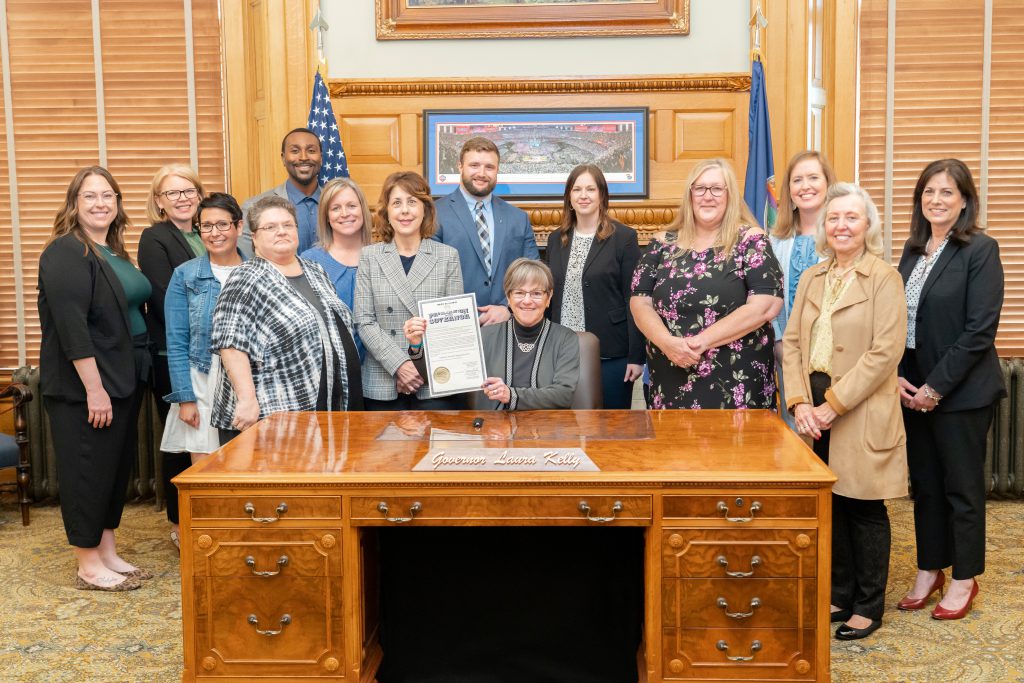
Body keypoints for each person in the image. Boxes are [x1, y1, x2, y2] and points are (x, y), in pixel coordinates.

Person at [782, 183, 908, 641]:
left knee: (863, 505)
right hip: (811, 401)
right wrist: (798, 401)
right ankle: (839, 592)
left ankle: (868, 605)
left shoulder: (884, 278)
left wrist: (831, 406)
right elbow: (793, 342)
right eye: (834, 218)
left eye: (851, 218)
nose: (841, 226)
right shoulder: (813, 277)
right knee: (828, 502)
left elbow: (885, 352)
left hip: (859, 403)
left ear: (868, 226)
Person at [895, 159, 1005, 620]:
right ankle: (929, 569)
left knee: (961, 488)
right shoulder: (912, 249)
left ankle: (964, 577)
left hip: (960, 391)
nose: (936, 200)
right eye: (928, 192)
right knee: (926, 486)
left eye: (946, 192)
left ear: (964, 200)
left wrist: (935, 388)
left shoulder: (980, 249)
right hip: (911, 384)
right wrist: (899, 375)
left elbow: (980, 330)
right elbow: (900, 320)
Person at [38, 167, 152, 591]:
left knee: (112, 469)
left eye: (108, 195)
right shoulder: (67, 252)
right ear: (74, 204)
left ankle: (106, 551)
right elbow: (72, 327)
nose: (100, 203)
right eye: (89, 196)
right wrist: (94, 389)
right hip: (84, 386)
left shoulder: (113, 252)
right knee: (86, 470)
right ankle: (88, 564)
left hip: (123, 376)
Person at [630, 158, 782, 409]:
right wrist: (668, 344)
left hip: (737, 383)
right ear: (690, 195)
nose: (707, 196)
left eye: (716, 189)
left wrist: (699, 343)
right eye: (699, 188)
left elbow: (766, 306)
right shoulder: (661, 243)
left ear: (729, 195)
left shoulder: (752, 241)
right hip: (670, 379)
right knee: (674, 448)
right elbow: (639, 301)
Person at [210, 196, 361, 445]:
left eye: (288, 225)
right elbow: (231, 344)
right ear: (255, 237)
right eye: (271, 227)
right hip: (274, 415)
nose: (281, 231)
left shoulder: (315, 270)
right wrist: (247, 400)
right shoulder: (245, 277)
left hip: (329, 404)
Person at [136, 163, 205, 549]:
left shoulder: (205, 232)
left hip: (214, 354)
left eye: (189, 190)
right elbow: (164, 299)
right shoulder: (155, 238)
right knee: (181, 437)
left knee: (210, 439)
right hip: (172, 353)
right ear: (159, 202)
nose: (183, 199)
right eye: (172, 193)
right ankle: (180, 525)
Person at [405, 258, 580, 410]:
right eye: (519, 293)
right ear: (508, 298)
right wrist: (416, 345)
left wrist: (511, 395)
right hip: (492, 433)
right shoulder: (485, 335)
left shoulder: (565, 338)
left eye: (536, 293)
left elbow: (564, 395)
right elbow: (443, 379)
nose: (527, 301)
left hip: (547, 433)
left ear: (548, 298)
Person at [354, 171, 464, 410]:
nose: (405, 211)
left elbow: (451, 325)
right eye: (397, 203)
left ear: (425, 209)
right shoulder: (370, 257)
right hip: (383, 381)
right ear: (387, 212)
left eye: (412, 202)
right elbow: (364, 321)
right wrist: (400, 365)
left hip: (434, 379)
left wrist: (417, 366)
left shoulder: (447, 257)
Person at [162, 193, 247, 497]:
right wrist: (185, 398)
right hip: (202, 381)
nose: (215, 233)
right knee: (205, 477)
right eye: (206, 226)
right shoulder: (185, 276)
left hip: (249, 383)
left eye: (222, 224)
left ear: (238, 226)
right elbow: (176, 340)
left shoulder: (258, 271)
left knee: (245, 469)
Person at [546, 165, 643, 409]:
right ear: (569, 197)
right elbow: (549, 297)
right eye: (577, 189)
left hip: (611, 353)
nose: (584, 195)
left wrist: (636, 356)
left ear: (602, 195)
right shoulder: (556, 239)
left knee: (612, 429)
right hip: (562, 352)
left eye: (591, 189)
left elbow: (634, 300)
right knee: (563, 426)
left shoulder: (624, 238)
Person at [434, 136, 539, 325]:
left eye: (489, 167)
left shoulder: (518, 218)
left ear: (497, 170)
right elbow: (431, 278)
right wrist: (464, 315)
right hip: (456, 326)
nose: (482, 173)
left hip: (509, 326)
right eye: (474, 165)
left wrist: (507, 308)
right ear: (460, 166)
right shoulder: (434, 214)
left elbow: (533, 273)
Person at [769, 151, 836, 428]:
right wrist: (780, 345)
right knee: (796, 434)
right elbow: (768, 299)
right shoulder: (775, 241)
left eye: (813, 177)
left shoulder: (843, 236)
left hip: (836, 362)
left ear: (828, 184)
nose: (805, 186)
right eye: (797, 180)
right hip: (788, 356)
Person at [300, 177, 373, 360]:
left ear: (363, 210)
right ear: (326, 215)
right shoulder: (310, 262)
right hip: (330, 371)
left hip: (379, 372)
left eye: (351, 206)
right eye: (335, 208)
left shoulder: (383, 256)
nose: (344, 213)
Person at [239, 127, 323, 256]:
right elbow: (246, 260)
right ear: (283, 158)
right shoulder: (253, 206)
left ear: (321, 158)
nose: (304, 157)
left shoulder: (339, 206)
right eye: (295, 151)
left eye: (311, 151)